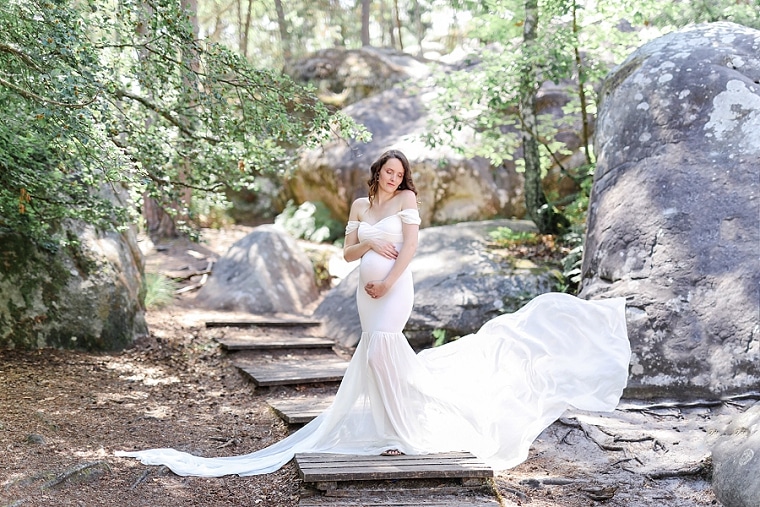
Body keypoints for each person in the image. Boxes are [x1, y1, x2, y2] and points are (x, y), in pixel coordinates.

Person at [116, 149, 631, 476]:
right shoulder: (361, 208)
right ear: (376, 174)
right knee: (376, 356)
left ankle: (403, 432)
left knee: (385, 352)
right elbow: (345, 254)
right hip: (364, 289)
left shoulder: (407, 201)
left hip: (395, 287)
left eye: (399, 173)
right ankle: (392, 428)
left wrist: (386, 277)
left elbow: (409, 251)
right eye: (387, 172)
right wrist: (366, 257)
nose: (393, 178)